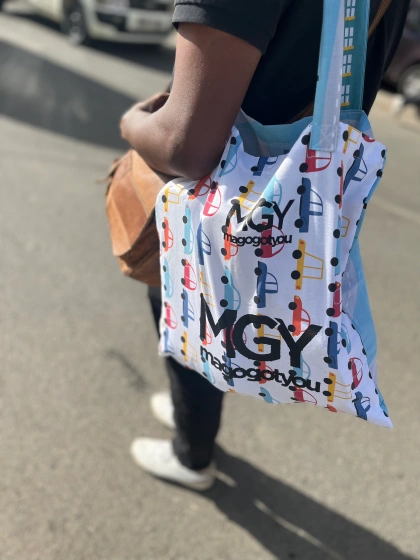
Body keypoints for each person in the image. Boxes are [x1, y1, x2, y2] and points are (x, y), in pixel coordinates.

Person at [120, 0, 410, 491]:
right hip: (305, 191)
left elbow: (186, 145)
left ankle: (192, 451)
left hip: (220, 198)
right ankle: (196, 402)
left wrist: (130, 122)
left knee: (195, 297)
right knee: (223, 313)